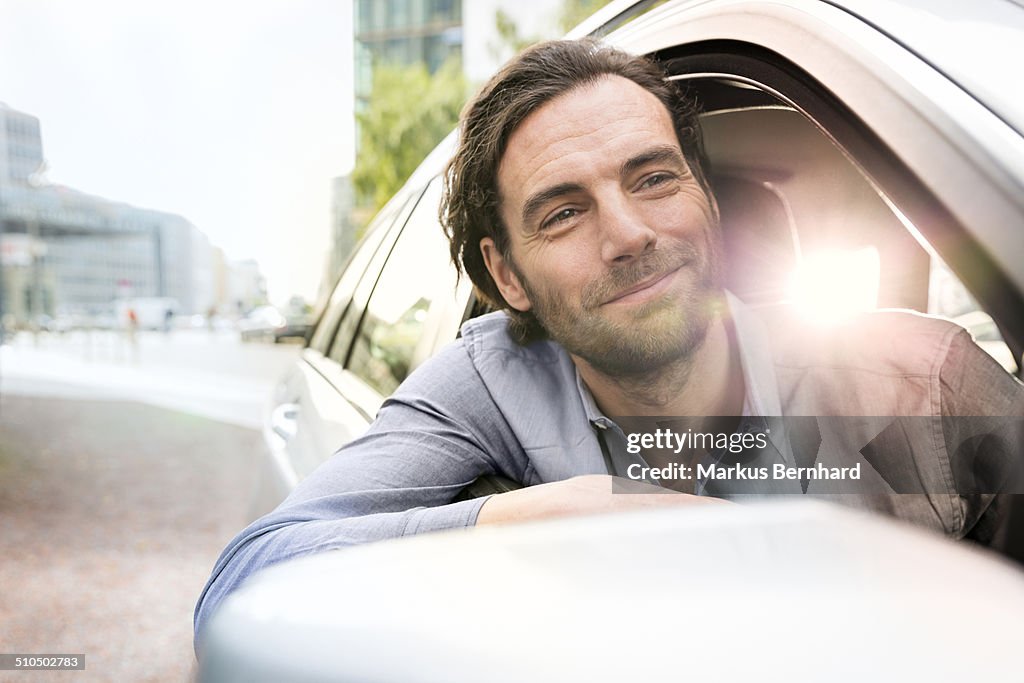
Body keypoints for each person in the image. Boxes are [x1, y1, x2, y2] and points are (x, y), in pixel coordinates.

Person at [194, 39, 1023, 644]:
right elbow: (242, 583)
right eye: (563, 211)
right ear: (507, 276)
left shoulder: (929, 387)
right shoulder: (485, 384)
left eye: (654, 177)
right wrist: (522, 521)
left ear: (705, 198)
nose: (628, 233)